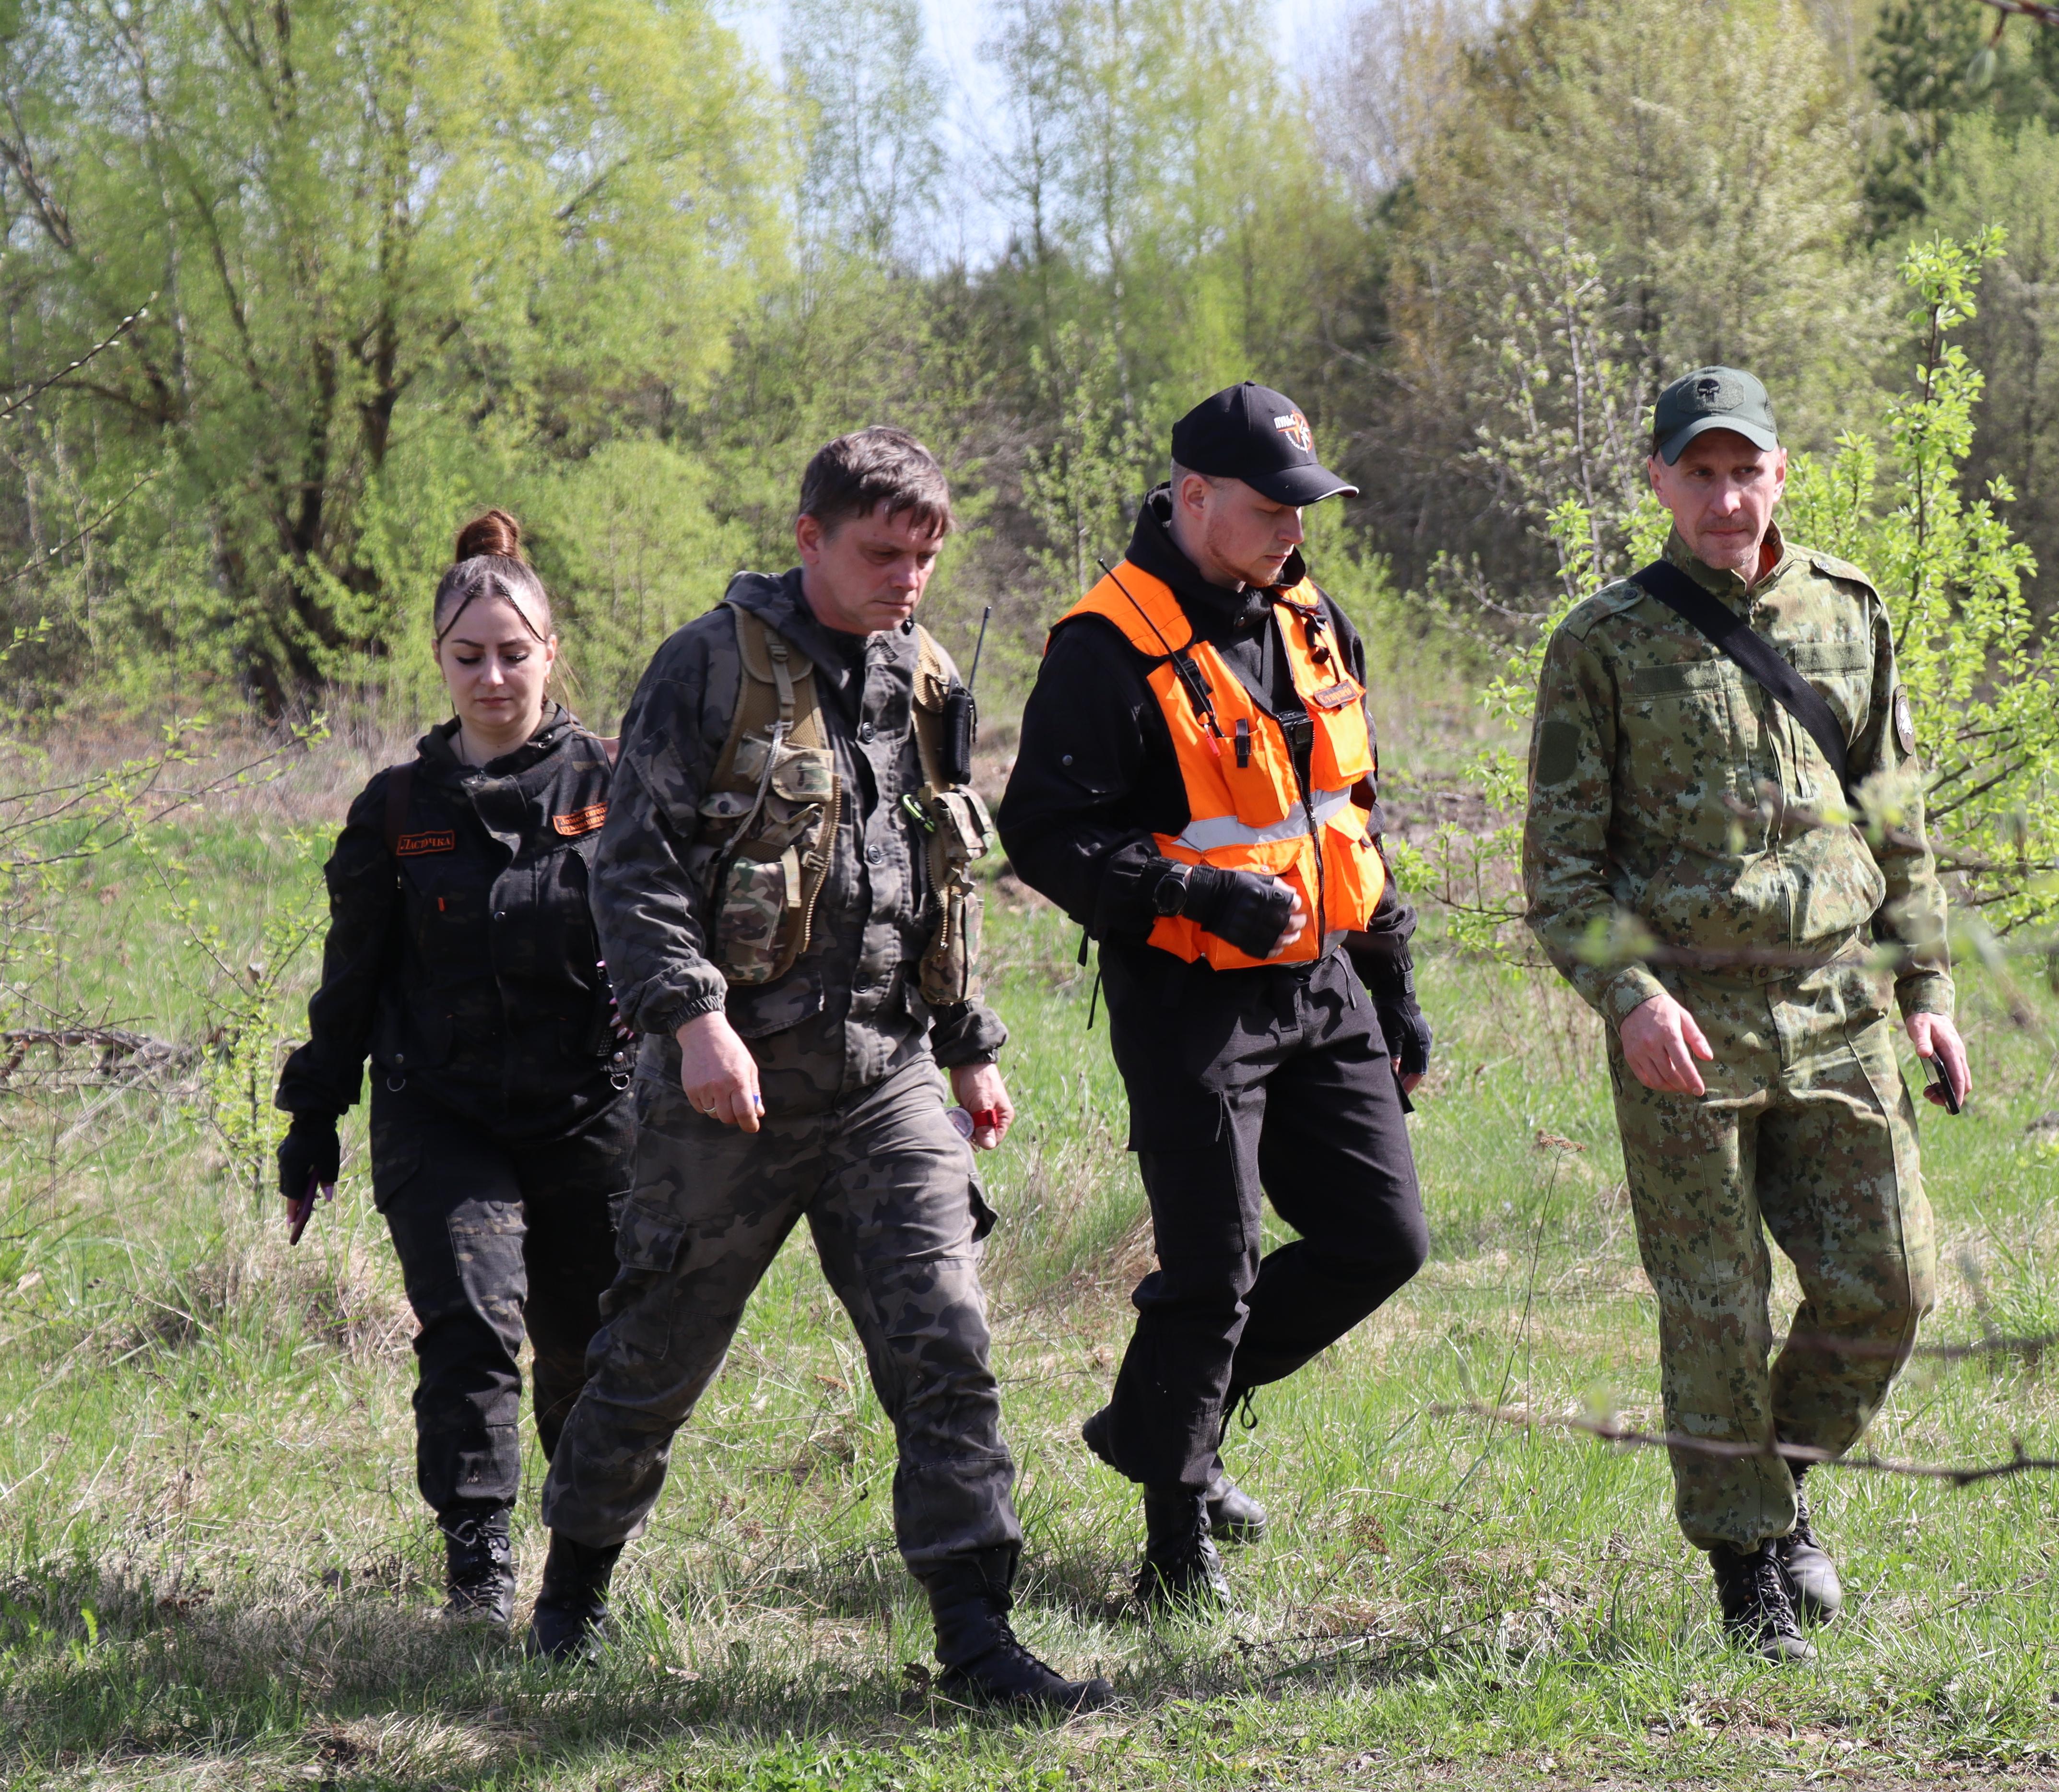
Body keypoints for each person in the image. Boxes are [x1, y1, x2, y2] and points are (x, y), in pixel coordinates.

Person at [525, 427, 1108, 1712]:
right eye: (883, 553)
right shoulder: (705, 669)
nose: (909, 578)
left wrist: (967, 1047)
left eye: (927, 556)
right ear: (809, 540)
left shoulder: (931, 678)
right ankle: (569, 1600)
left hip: (885, 1077)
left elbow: (932, 877)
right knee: (654, 1349)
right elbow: (632, 871)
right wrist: (693, 1023)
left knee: (946, 1344)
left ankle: (976, 1641)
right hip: (730, 1082)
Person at [1519, 367, 1970, 1662]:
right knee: (1714, 1301)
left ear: (1782, 472)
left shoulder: (1848, 612)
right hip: (1691, 1022)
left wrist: (1926, 989)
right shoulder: (1601, 643)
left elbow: (1897, 814)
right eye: (1699, 472)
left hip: (1838, 1004)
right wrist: (1631, 994)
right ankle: (1749, 1568)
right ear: (1658, 482)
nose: (1726, 496)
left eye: (1747, 469)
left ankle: (1774, 1486)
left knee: (1889, 1285)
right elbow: (1560, 874)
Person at [998, 381, 1432, 1610]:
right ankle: (1172, 1547)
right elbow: (1044, 835)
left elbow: (1352, 814)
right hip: (1192, 1001)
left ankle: (1169, 1411)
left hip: (1324, 982)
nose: (1297, 526)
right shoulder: (1103, 644)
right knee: (1214, 1266)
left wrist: (1392, 983)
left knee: (1380, 1240)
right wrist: (1192, 893)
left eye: (1309, 503)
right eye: (1271, 506)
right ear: (1193, 499)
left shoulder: (1312, 618)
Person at [275, 510, 634, 1628]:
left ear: (551, 651)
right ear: (438, 659)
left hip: (592, 1111)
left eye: (514, 652)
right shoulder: (395, 811)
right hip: (443, 1113)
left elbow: (682, 940)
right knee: (474, 1326)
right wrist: (312, 1123)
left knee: (588, 1344)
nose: (493, 675)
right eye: (468, 654)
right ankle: (477, 1562)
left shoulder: (621, 787)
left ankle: (581, 1568)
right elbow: (349, 984)